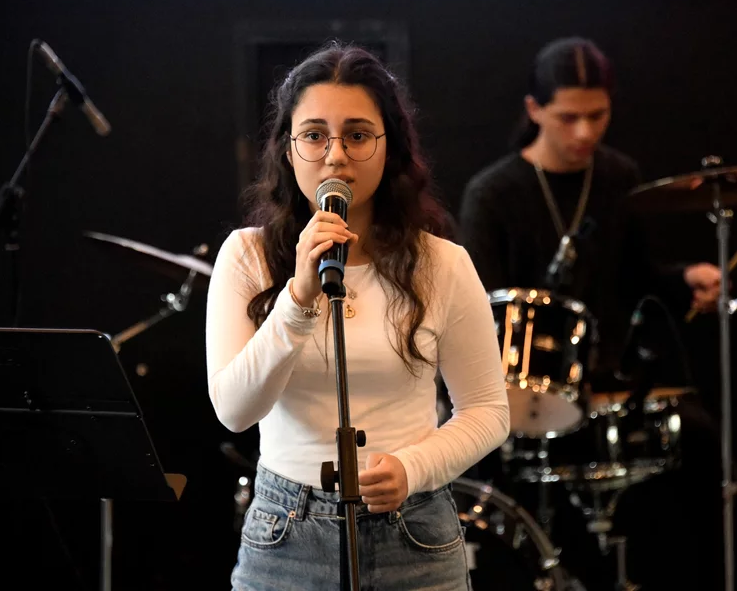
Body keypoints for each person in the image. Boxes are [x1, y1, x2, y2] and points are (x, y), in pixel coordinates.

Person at [205, 41, 510, 591]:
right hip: (286, 531)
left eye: (358, 135)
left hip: (413, 531)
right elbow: (234, 410)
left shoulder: (442, 263)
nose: (335, 155)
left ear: (389, 148)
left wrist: (413, 468)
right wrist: (297, 298)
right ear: (288, 149)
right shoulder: (247, 257)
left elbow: (488, 411)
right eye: (314, 135)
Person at [457, 37, 727, 590]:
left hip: (608, 384)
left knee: (700, 442)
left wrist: (684, 280)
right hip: (519, 392)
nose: (585, 132)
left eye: (597, 116)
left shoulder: (618, 177)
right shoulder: (493, 193)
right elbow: (480, 307)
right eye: (568, 117)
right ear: (534, 110)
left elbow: (640, 276)